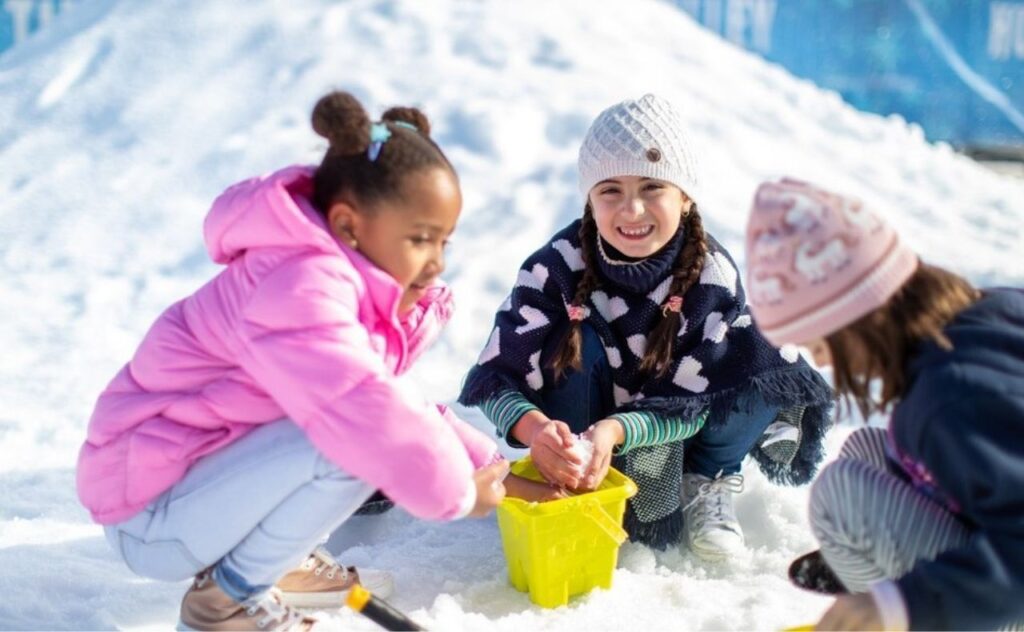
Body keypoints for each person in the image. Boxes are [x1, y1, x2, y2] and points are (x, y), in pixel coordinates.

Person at [76, 91, 509, 631]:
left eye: (445, 240)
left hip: (187, 489)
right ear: (351, 224)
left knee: (341, 425)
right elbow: (369, 410)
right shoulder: (303, 288)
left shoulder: (335, 274)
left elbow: (393, 394)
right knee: (349, 443)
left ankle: (266, 566)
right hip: (149, 516)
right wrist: (459, 494)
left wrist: (490, 464)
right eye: (421, 240)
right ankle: (226, 601)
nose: (437, 262)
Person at [458, 94, 833, 556]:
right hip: (583, 435)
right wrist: (536, 431)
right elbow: (495, 378)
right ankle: (582, 476)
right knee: (572, 339)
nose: (631, 210)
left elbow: (697, 400)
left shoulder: (710, 275)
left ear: (686, 196)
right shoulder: (554, 268)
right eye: (610, 190)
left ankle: (706, 476)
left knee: (761, 354)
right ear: (590, 201)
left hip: (671, 427)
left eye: (652, 187)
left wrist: (620, 430)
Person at [744, 178, 1024, 630]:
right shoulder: (991, 311)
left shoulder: (949, 397)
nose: (820, 361)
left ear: (854, 318)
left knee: (843, 497)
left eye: (818, 343)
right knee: (871, 450)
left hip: (1010, 591)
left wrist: (902, 605)